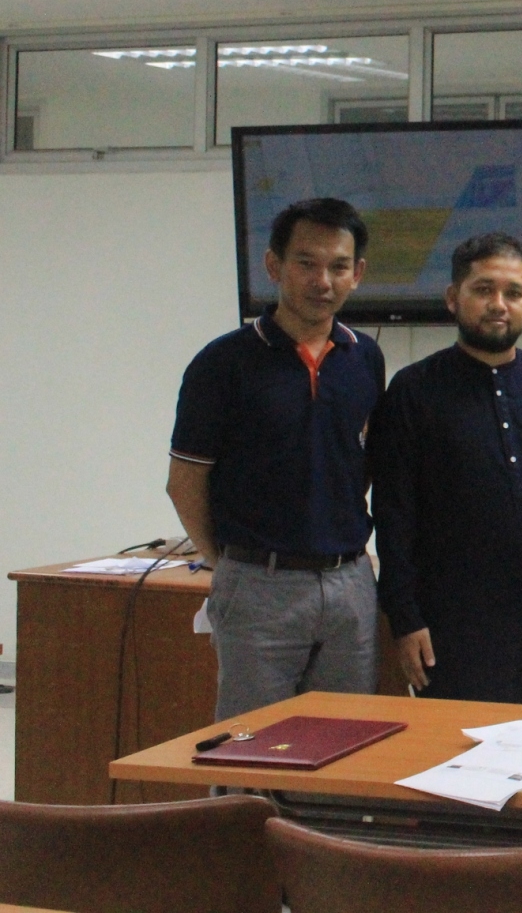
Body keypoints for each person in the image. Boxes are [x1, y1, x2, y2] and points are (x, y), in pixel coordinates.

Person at [168, 198, 385, 720]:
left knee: (344, 746)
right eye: (306, 263)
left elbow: (359, 464)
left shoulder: (365, 358)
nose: (323, 280)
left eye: (338, 266)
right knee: (251, 750)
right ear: (274, 266)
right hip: (258, 584)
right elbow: (185, 481)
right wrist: (228, 563)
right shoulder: (223, 362)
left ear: (357, 274)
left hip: (350, 583)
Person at [368, 232, 522, 706]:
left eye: (514, 293)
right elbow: (394, 517)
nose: (499, 304)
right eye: (483, 290)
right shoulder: (413, 391)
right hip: (450, 628)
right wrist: (406, 618)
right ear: (454, 299)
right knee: (456, 764)